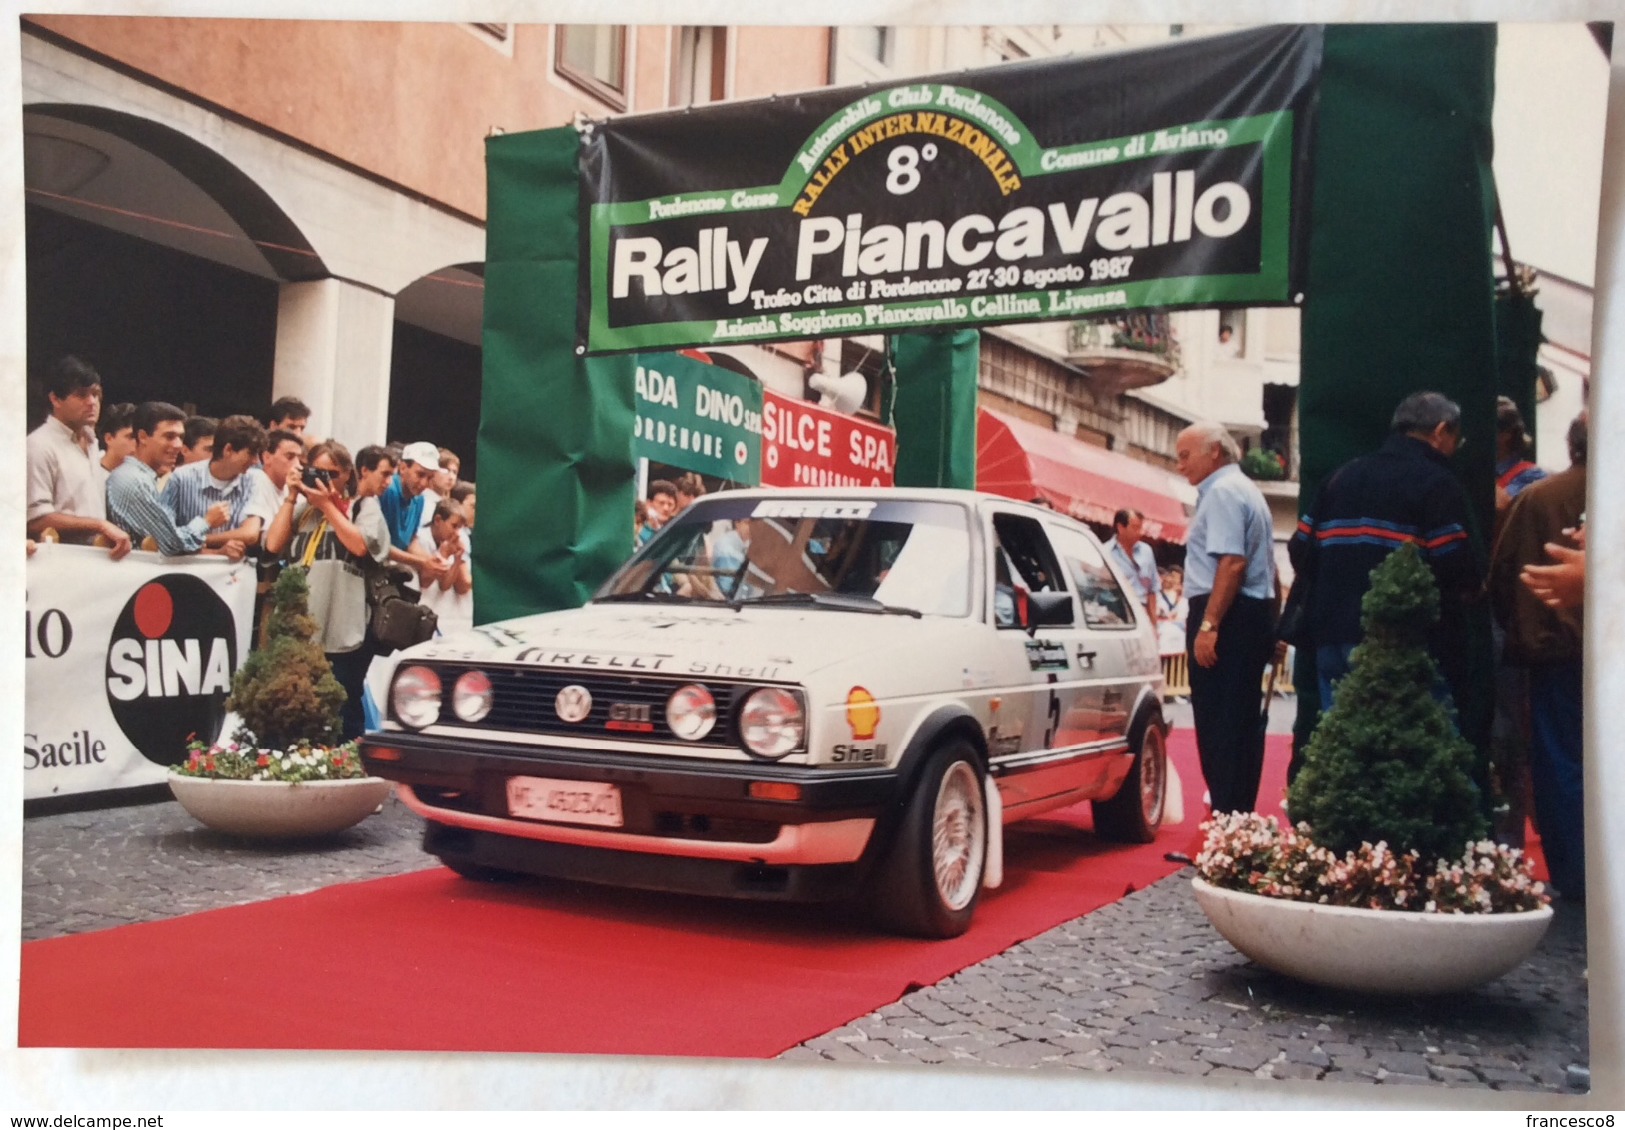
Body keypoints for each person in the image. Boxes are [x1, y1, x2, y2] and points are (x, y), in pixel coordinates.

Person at [1287, 391, 1481, 716]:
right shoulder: (1438, 483)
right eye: (1455, 439)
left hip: (1332, 635)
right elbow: (1455, 567)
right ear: (1441, 431)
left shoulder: (1342, 475)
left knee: (1343, 745)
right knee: (1413, 749)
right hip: (1405, 644)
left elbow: (1299, 550)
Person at [1490, 412, 1587, 899]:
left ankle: (1573, 874)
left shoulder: (1536, 497)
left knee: (1559, 762)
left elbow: (1505, 575)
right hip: (1585, 649)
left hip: (1555, 651)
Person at [1176, 420, 1277, 815]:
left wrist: (1209, 624)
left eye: (1185, 456)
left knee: (1220, 726)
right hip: (1248, 612)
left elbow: (1232, 563)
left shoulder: (1222, 493)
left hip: (1227, 614)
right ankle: (1235, 819)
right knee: (1239, 724)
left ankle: (1228, 817)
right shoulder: (1245, 490)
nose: (1180, 466)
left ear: (1213, 451)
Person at [266, 441, 394, 740]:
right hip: (302, 628)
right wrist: (291, 497)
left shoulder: (363, 507)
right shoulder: (304, 512)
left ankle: (349, 771)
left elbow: (360, 545)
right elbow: (273, 545)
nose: (323, 481)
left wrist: (328, 505)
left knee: (343, 706)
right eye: (316, 472)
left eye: (331, 474)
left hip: (344, 627)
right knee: (294, 707)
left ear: (347, 474)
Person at [26, 355, 131, 558]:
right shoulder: (39, 445)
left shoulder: (92, 442)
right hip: (57, 562)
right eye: (82, 395)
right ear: (55, 399)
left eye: (96, 394)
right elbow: (35, 519)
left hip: (95, 560)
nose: (92, 402)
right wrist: (100, 525)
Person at [105, 401, 235, 557]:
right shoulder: (132, 480)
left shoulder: (145, 478)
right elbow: (171, 544)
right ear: (143, 437)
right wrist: (206, 521)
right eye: (169, 436)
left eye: (180, 437)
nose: (178, 445)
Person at [162, 414, 268, 557]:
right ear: (228, 450)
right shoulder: (181, 478)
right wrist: (211, 539)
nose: (256, 461)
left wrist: (198, 540)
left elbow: (250, 534)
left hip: (233, 574)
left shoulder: (255, 479)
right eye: (251, 454)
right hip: (186, 570)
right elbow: (164, 538)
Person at [377, 440, 447, 588]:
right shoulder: (388, 491)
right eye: (420, 474)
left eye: (429, 478)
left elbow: (410, 540)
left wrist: (431, 560)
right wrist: (422, 561)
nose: (424, 483)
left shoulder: (419, 499)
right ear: (403, 468)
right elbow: (379, 544)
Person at [420, 499, 473, 636]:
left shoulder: (450, 542)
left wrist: (457, 559)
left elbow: (445, 585)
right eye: (454, 526)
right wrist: (443, 554)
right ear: (438, 520)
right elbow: (425, 581)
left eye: (460, 528)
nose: (457, 533)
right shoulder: (422, 538)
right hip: (421, 606)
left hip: (439, 612)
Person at [1103, 508, 1159, 629]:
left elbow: (1152, 589)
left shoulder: (1146, 551)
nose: (1139, 532)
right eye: (1135, 528)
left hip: (1142, 612)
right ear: (1120, 527)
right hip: (1116, 613)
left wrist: (1153, 623)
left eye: (1140, 528)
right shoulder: (1106, 552)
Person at [1156, 566, 1188, 657]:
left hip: (1179, 629)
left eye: (1176, 578)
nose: (1173, 580)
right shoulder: (1157, 595)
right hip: (1162, 628)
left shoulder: (1184, 597)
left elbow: (1183, 615)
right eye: (1171, 576)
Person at [98, 403, 137, 477]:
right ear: (109, 439)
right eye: (131, 437)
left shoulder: (139, 476)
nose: (136, 443)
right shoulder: (87, 469)